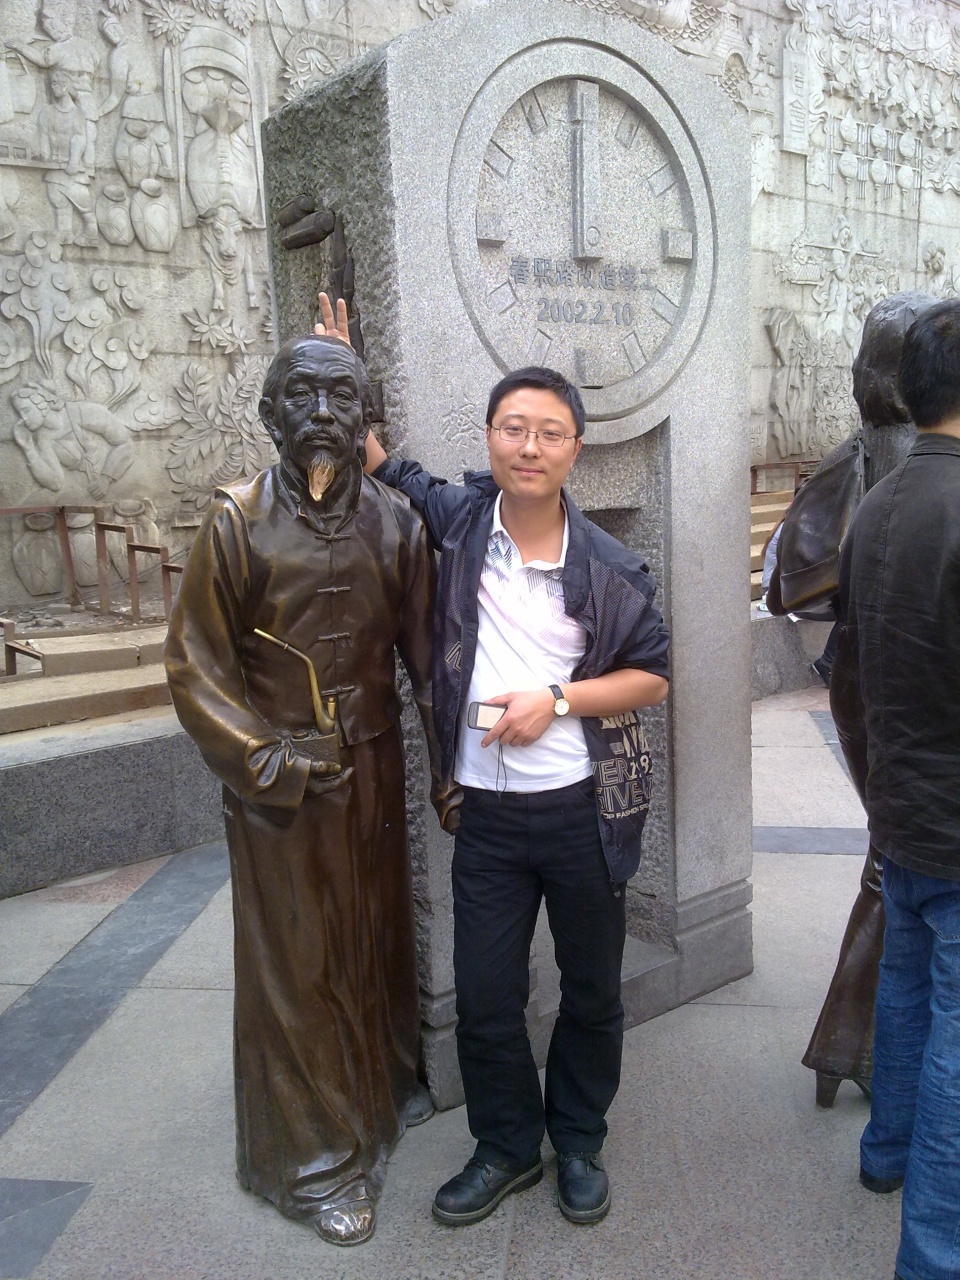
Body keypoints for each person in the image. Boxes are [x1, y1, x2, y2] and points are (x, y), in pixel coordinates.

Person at [315, 295, 670, 1226]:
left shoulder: (610, 566)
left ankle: (578, 1140)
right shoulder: (463, 520)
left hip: (580, 811)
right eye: (514, 427)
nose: (529, 446)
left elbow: (651, 678)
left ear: (574, 451)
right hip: (487, 815)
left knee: (591, 990)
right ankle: (507, 1146)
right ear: (492, 437)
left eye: (549, 432)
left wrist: (557, 700)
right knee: (484, 996)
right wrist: (346, 371)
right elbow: (386, 465)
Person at [165, 335, 459, 1247]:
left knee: (374, 937)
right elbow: (195, 668)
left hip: (373, 770)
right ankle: (313, 1162)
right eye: (302, 396)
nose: (322, 414)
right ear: (269, 413)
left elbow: (429, 664)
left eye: (341, 397)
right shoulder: (235, 523)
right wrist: (268, 761)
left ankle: (379, 1094)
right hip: (279, 790)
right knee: (298, 964)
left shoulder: (398, 523)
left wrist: (448, 772)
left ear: (368, 417)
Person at [837, 298, 960, 1280]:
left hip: (903, 809)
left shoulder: (878, 504)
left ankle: (884, 1153)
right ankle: (934, 1251)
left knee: (909, 987)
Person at [797, 292, 937, 1108]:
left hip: (862, 677)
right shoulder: (912, 457)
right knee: (897, 861)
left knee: (892, 858)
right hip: (905, 686)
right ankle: (846, 1042)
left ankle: (856, 1043)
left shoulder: (864, 452)